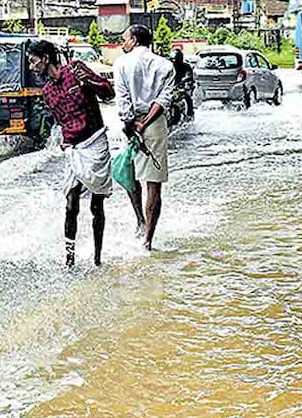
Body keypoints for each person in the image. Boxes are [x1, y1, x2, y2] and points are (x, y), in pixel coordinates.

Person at [27, 39, 115, 268]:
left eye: (33, 61)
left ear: (45, 59)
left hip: (95, 143)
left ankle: (97, 258)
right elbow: (61, 121)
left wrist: (91, 84)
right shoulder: (47, 91)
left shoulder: (76, 70)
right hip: (73, 149)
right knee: (70, 204)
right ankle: (69, 259)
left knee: (97, 205)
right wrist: (64, 142)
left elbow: (108, 92)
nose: (31, 66)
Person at [114, 24, 175, 252]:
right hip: (155, 123)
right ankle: (148, 239)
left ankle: (139, 219)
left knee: (129, 174)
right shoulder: (165, 65)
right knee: (154, 184)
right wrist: (146, 122)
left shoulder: (122, 62)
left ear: (135, 40)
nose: (124, 43)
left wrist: (132, 124)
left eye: (125, 39)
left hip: (131, 125)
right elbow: (164, 99)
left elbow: (123, 98)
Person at [171, 48, 195, 119]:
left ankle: (190, 112)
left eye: (176, 59)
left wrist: (183, 82)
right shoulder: (169, 67)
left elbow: (189, 76)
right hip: (172, 87)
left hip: (183, 86)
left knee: (187, 96)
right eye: (173, 59)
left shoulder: (186, 66)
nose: (174, 61)